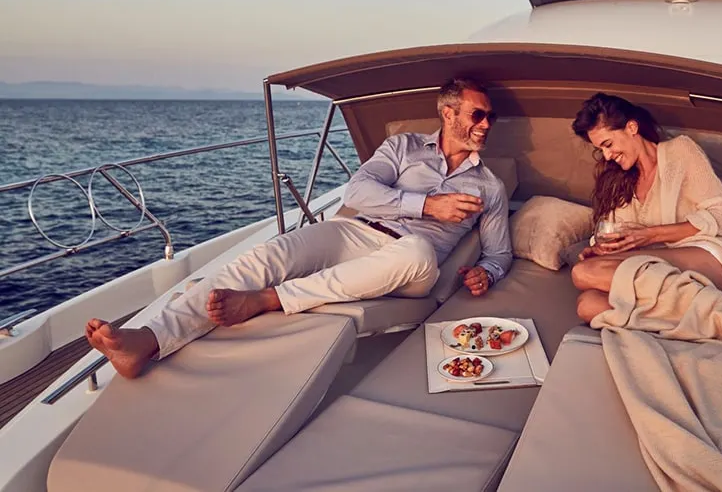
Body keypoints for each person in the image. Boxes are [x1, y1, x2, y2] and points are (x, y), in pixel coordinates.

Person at [85, 78, 512, 378]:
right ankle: (148, 339)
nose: (486, 125)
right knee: (267, 255)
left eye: (490, 117)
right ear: (448, 113)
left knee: (416, 252)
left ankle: (268, 299)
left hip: (410, 263)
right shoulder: (403, 147)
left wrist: (486, 272)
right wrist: (427, 204)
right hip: (357, 231)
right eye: (478, 114)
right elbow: (358, 191)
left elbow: (498, 254)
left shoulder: (489, 186)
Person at [569, 92, 722, 323]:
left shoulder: (680, 152)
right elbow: (613, 233)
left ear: (631, 127)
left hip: (706, 258)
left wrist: (650, 235)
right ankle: (710, 320)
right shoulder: (617, 182)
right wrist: (602, 250)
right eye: (601, 149)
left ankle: (713, 315)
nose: (607, 155)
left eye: (608, 144)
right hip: (654, 268)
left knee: (583, 273)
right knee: (588, 304)